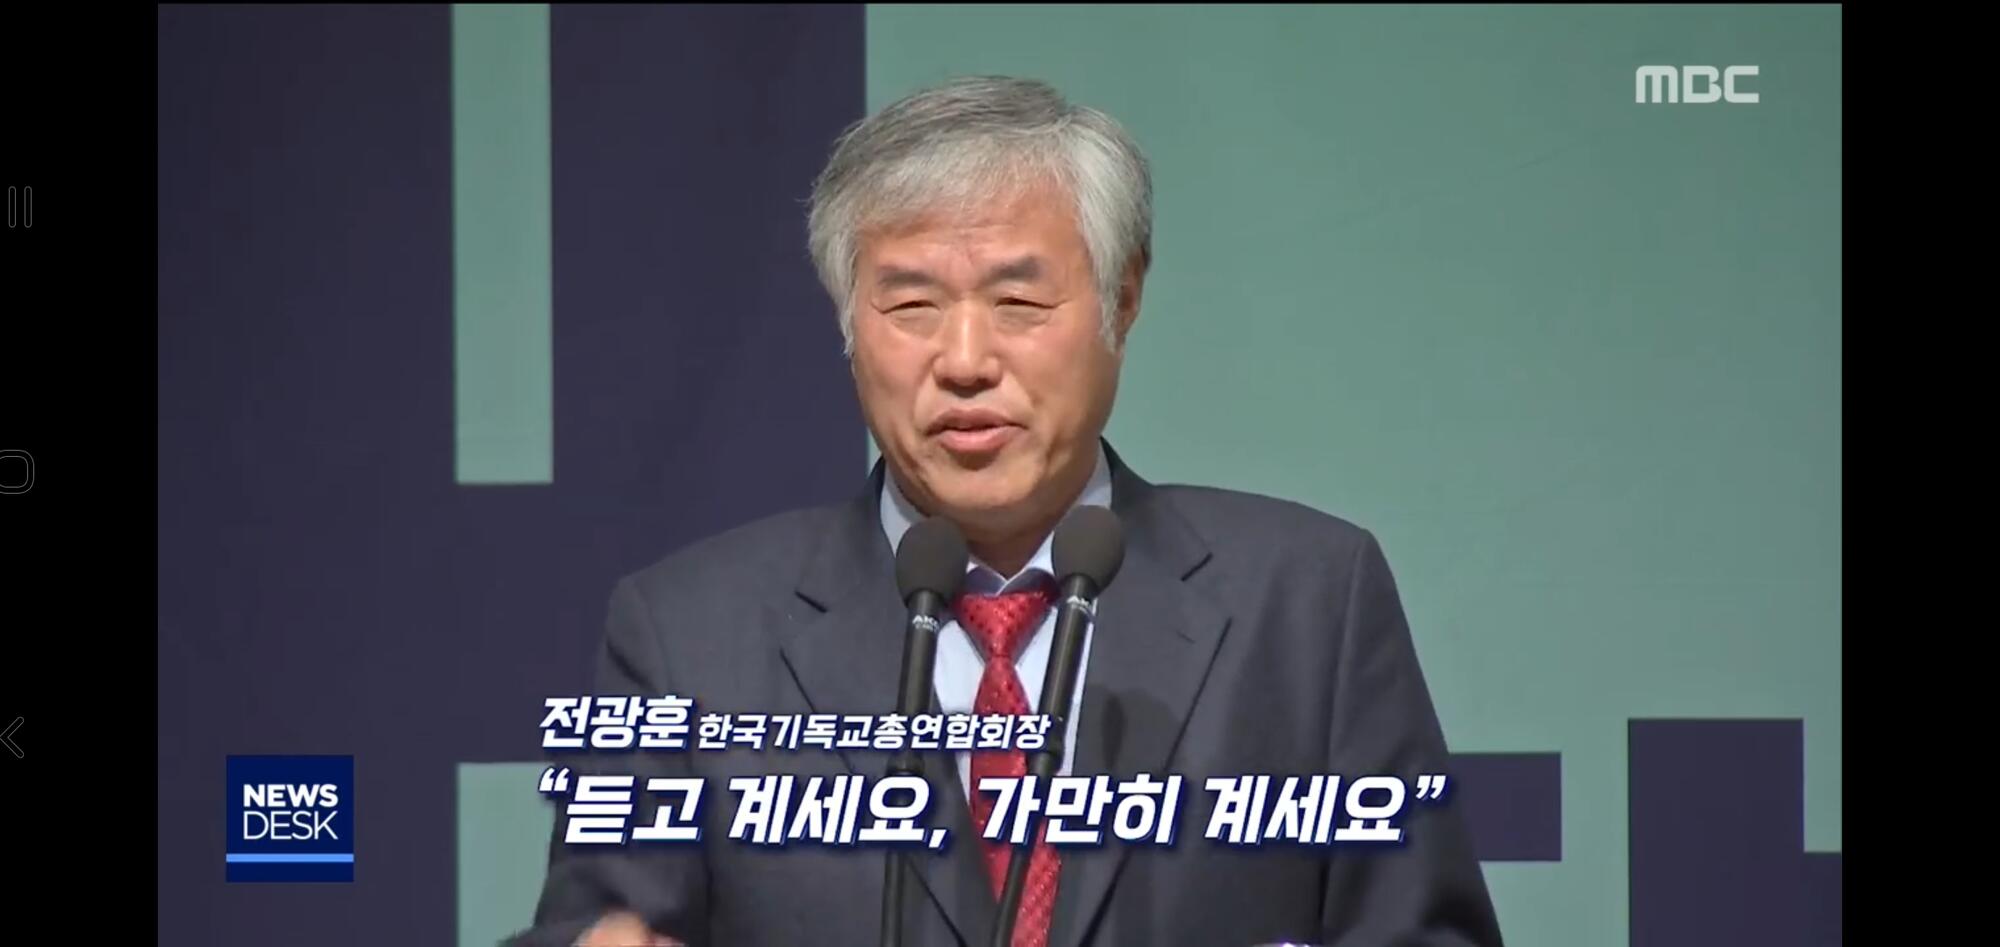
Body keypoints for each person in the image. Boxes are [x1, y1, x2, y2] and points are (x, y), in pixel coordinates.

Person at [508, 75, 1503, 947]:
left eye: (1018, 303)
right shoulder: (689, 634)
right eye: (910, 305)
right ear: (847, 323)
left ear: (1123, 298)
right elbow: (596, 930)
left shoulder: (1306, 601)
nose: (965, 361)